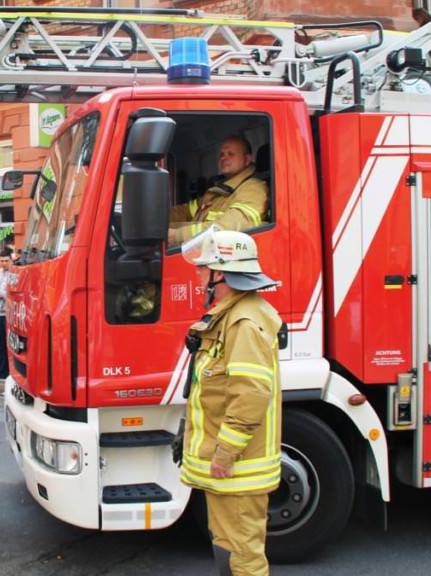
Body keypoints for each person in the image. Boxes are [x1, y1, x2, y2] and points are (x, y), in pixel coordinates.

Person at [179, 229, 282, 576]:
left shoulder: (243, 323)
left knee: (243, 559)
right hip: (230, 471)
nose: (198, 274)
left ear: (220, 273)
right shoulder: (232, 315)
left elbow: (250, 393)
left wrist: (225, 452)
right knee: (229, 548)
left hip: (238, 471)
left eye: (203, 268)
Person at [169, 136, 268, 245]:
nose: (224, 158)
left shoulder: (253, 189)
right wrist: (156, 218)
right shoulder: (221, 190)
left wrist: (177, 236)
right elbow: (186, 211)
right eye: (222, 154)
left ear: (247, 159)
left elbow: (229, 228)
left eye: (230, 154)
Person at [0, 247, 14, 382]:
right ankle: (2, 373)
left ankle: (12, 374)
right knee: (0, 344)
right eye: (1, 261)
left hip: (9, 314)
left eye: (6, 260)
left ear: (11, 260)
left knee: (10, 345)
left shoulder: (14, 273)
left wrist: (1, 294)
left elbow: (13, 295)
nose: (4, 263)